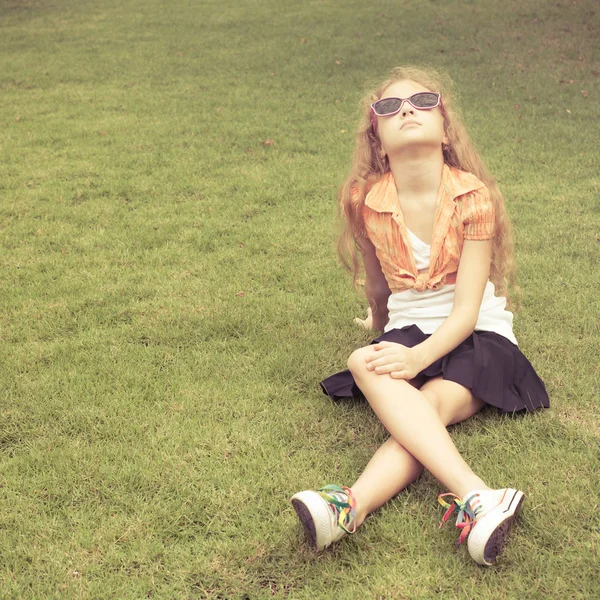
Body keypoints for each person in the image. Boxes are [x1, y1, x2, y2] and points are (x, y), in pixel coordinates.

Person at [290, 66, 549, 566]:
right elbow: (378, 280)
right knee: (368, 364)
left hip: (476, 334)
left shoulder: (473, 197)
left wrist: (417, 359)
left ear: (445, 130)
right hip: (410, 329)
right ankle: (479, 497)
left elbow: (468, 310)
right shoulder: (366, 200)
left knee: (426, 403)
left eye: (421, 101)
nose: (405, 110)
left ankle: (349, 505)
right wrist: (381, 325)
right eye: (389, 107)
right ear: (378, 141)